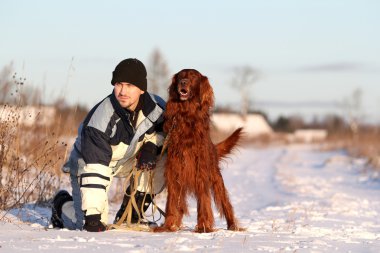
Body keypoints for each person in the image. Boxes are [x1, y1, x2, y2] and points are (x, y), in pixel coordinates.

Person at [50, 58, 166, 232]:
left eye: (129, 85)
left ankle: (131, 215)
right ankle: (61, 206)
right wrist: (93, 216)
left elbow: (166, 133)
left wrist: (152, 146)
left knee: (164, 159)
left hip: (124, 161)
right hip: (88, 165)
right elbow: (94, 167)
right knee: (88, 225)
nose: (123, 91)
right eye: (119, 84)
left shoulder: (157, 109)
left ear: (142, 89)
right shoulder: (101, 120)